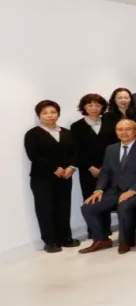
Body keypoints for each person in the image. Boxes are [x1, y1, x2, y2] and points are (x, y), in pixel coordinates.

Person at [79, 119, 136, 254]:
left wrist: (132, 191)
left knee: (124, 206)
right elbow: (105, 172)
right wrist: (98, 190)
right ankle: (101, 239)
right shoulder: (111, 149)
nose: (124, 132)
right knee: (88, 207)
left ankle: (125, 241)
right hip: (115, 191)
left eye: (128, 129)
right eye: (120, 130)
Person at [24, 100, 79, 253]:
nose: (50, 116)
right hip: (42, 178)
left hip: (65, 176)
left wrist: (71, 167)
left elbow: (75, 152)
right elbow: (34, 155)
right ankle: (50, 241)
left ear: (58, 114)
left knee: (64, 207)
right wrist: (54, 168)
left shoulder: (66, 132)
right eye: (45, 113)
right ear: (39, 115)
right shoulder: (33, 134)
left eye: (53, 112)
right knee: (45, 209)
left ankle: (65, 238)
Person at [71, 94, 116, 201]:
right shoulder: (76, 126)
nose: (94, 108)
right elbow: (76, 149)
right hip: (87, 170)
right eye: (90, 105)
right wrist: (90, 167)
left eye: (98, 105)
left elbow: (115, 146)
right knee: (90, 201)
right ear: (84, 107)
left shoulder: (111, 123)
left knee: (109, 201)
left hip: (110, 168)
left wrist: (105, 167)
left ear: (103, 107)